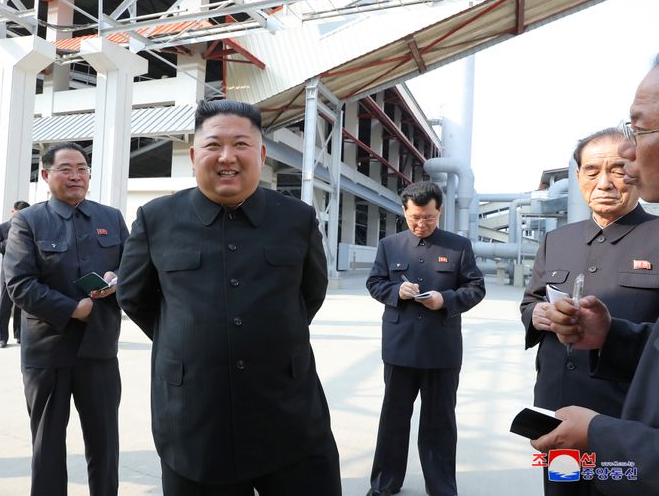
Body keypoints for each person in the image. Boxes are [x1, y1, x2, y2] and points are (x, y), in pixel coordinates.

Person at [116, 99, 341, 496]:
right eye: (213, 145)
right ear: (193, 155)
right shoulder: (157, 219)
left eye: (241, 144)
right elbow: (135, 297)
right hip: (194, 420)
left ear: (261, 154)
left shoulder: (297, 219)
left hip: (288, 413)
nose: (227, 157)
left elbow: (310, 294)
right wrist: (188, 340)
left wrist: (265, 335)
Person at [533, 57, 659, 496]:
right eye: (592, 170)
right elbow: (530, 300)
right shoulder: (558, 240)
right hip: (560, 409)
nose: (605, 180)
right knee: (564, 487)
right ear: (579, 177)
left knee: (611, 489)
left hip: (624, 423)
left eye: (616, 169)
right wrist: (539, 316)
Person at [3, 142, 128, 496]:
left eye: (82, 168)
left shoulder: (110, 218)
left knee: (104, 443)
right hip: (48, 351)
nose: (76, 176)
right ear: (46, 175)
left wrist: (117, 281)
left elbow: (133, 268)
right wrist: (73, 308)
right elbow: (20, 284)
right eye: (66, 169)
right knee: (48, 444)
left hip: (99, 349)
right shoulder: (28, 221)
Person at [364, 181, 485, 496]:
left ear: (439, 211)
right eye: (415, 217)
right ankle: (384, 484)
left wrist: (444, 300)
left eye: (429, 218)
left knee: (439, 422)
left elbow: (476, 288)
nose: (421, 224)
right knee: (393, 419)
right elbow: (375, 282)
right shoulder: (390, 245)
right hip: (400, 346)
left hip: (441, 349)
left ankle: (442, 486)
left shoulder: (458, 246)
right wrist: (396, 291)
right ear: (404, 211)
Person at [0, 200, 30, 348]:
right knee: (5, 306)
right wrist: (10, 240)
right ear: (12, 212)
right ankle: (1, 337)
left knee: (21, 305)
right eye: (18, 214)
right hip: (8, 273)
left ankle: (19, 334)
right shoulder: (1, 228)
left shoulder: (29, 228)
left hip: (25, 272)